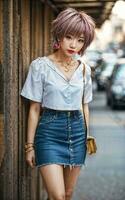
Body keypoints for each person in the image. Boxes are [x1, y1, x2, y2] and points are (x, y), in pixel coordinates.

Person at [21, 7, 95, 200]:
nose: (74, 44)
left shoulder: (85, 70)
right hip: (49, 133)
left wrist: (87, 136)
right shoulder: (40, 66)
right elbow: (34, 108)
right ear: (59, 35)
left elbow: (84, 105)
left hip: (78, 132)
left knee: (68, 194)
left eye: (80, 40)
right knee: (58, 196)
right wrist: (29, 147)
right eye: (69, 37)